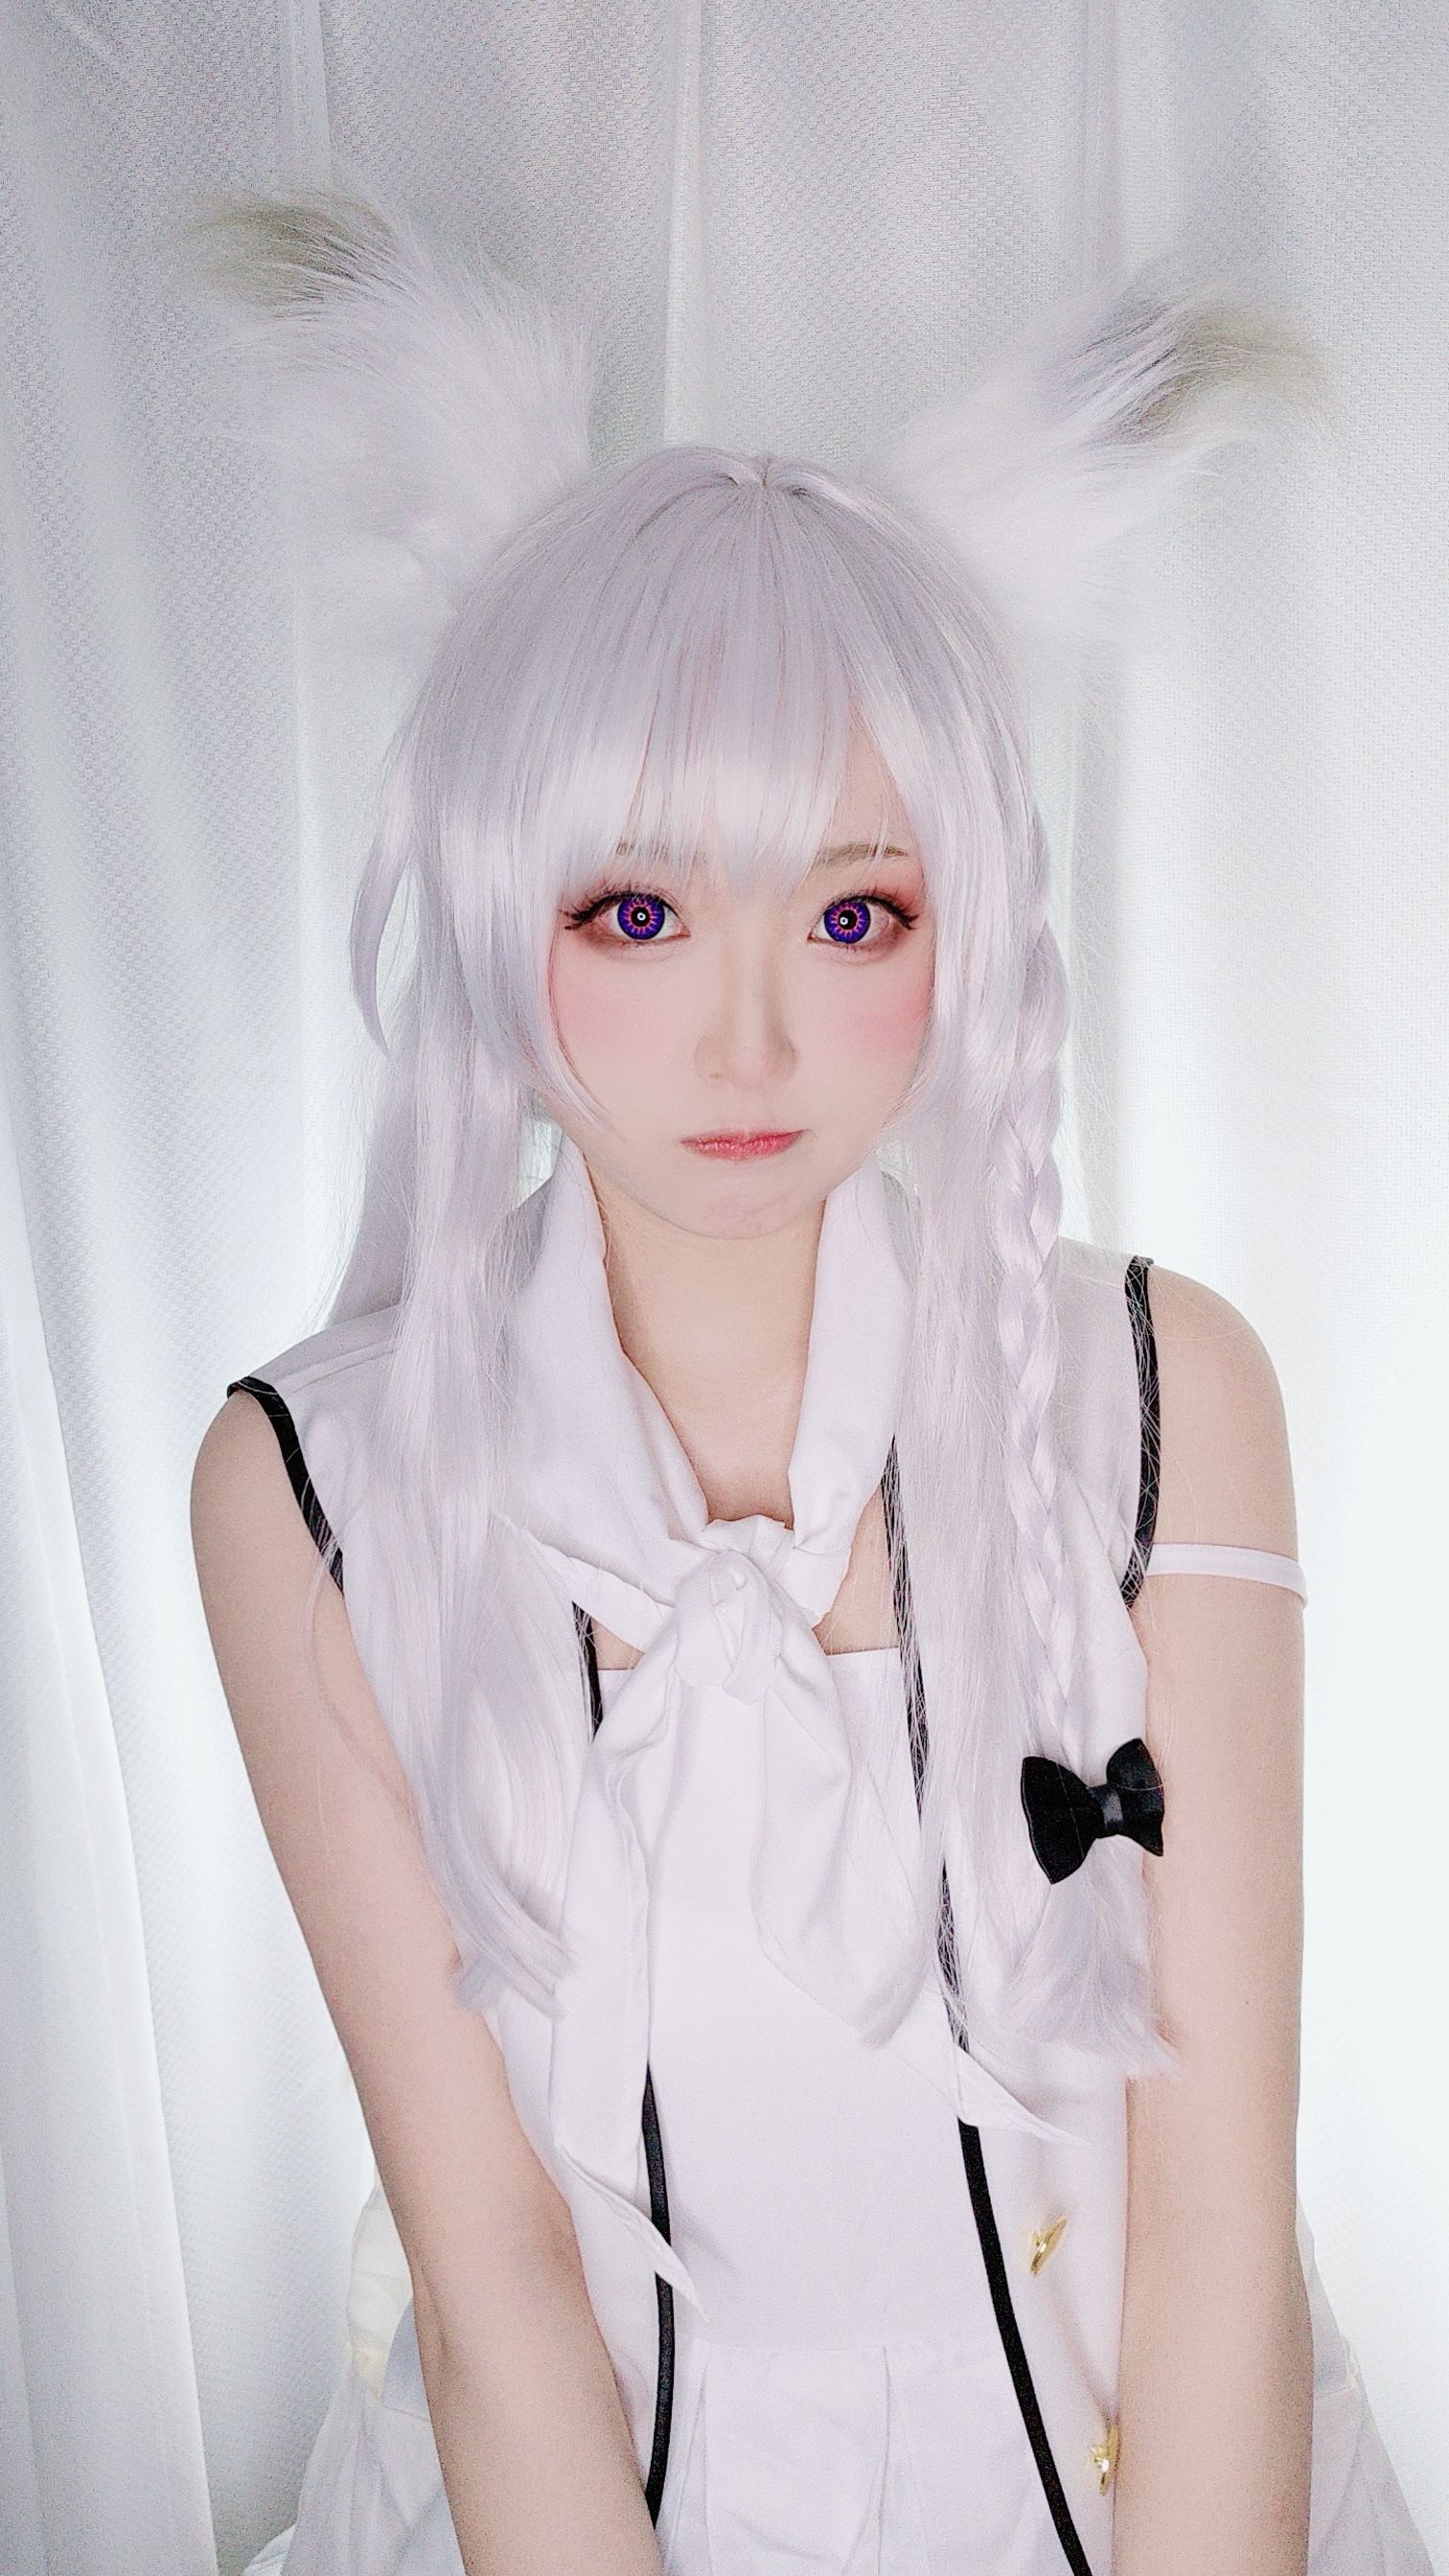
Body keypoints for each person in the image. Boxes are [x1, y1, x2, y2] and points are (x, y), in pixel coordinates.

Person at [187, 187, 1434, 2576]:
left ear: (968, 926)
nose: (747, 1037)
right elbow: (496, 2284)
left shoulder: (1164, 1389)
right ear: (493, 898)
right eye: (638, 910)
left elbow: (1215, 2228)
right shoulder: (308, 1483)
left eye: (854, 912)